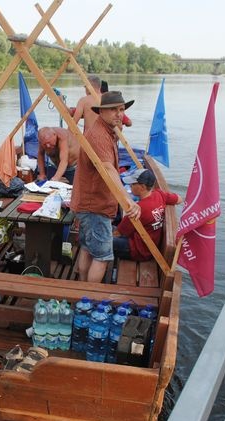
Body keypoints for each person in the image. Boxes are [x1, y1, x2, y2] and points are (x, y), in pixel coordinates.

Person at [70, 91, 140, 283]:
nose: (119, 114)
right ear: (101, 112)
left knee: (86, 248)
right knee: (102, 258)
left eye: (121, 109)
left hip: (88, 203)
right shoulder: (99, 136)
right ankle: (89, 298)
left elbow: (121, 126)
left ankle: (83, 288)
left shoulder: (108, 129)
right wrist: (125, 199)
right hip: (95, 206)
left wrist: (119, 124)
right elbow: (108, 168)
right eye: (113, 110)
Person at [114, 169, 182, 261]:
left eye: (133, 184)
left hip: (138, 250)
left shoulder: (138, 210)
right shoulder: (159, 195)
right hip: (149, 247)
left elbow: (118, 233)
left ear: (142, 187)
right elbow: (179, 199)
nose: (130, 186)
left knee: (97, 241)